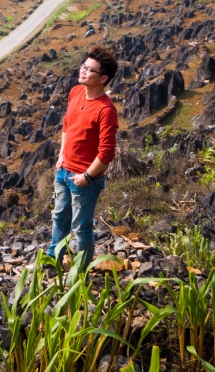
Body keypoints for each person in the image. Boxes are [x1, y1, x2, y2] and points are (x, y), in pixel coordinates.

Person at [47, 45, 119, 271]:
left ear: (103, 78)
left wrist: (86, 176)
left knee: (82, 228)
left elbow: (107, 153)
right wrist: (61, 155)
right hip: (64, 171)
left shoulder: (106, 110)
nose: (84, 72)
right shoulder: (76, 92)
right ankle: (53, 261)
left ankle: (81, 272)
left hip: (84, 179)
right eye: (83, 66)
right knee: (59, 218)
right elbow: (67, 124)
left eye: (90, 70)